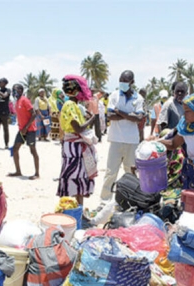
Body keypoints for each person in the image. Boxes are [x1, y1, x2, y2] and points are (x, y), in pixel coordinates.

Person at [98, 70, 144, 203]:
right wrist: (129, 115)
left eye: (126, 81)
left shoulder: (138, 98)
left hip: (132, 141)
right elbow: (110, 116)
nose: (123, 83)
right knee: (111, 172)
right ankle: (105, 200)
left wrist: (119, 112)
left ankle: (129, 199)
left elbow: (139, 118)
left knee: (130, 172)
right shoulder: (114, 95)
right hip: (116, 139)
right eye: (121, 81)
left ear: (132, 82)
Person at [57, 75, 97, 206]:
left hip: (72, 147)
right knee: (75, 179)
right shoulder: (70, 105)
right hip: (74, 149)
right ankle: (74, 210)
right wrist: (93, 119)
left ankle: (76, 210)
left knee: (75, 180)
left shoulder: (71, 104)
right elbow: (78, 128)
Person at [9, 83, 39, 179]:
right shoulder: (16, 101)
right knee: (15, 149)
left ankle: (37, 174)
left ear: (21, 91)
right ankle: (18, 171)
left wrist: (26, 127)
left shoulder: (24, 100)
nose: (14, 92)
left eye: (16, 90)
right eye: (13, 90)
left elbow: (33, 114)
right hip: (21, 130)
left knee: (32, 150)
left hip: (30, 129)